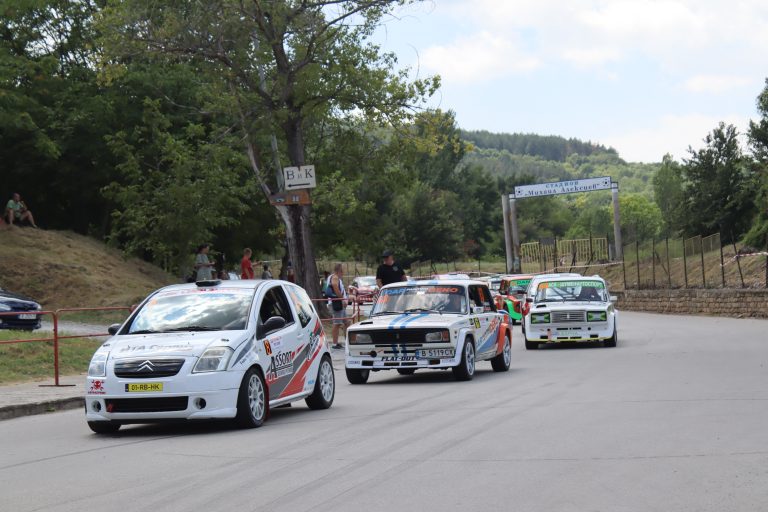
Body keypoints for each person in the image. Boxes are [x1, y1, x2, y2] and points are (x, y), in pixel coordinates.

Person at [326, 263, 349, 349]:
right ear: (340, 270)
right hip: (336, 303)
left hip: (337, 303)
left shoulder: (334, 277)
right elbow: (335, 286)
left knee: (346, 322)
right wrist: (342, 299)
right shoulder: (335, 277)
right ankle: (335, 344)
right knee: (337, 323)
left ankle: (348, 341)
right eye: (343, 270)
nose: (344, 272)